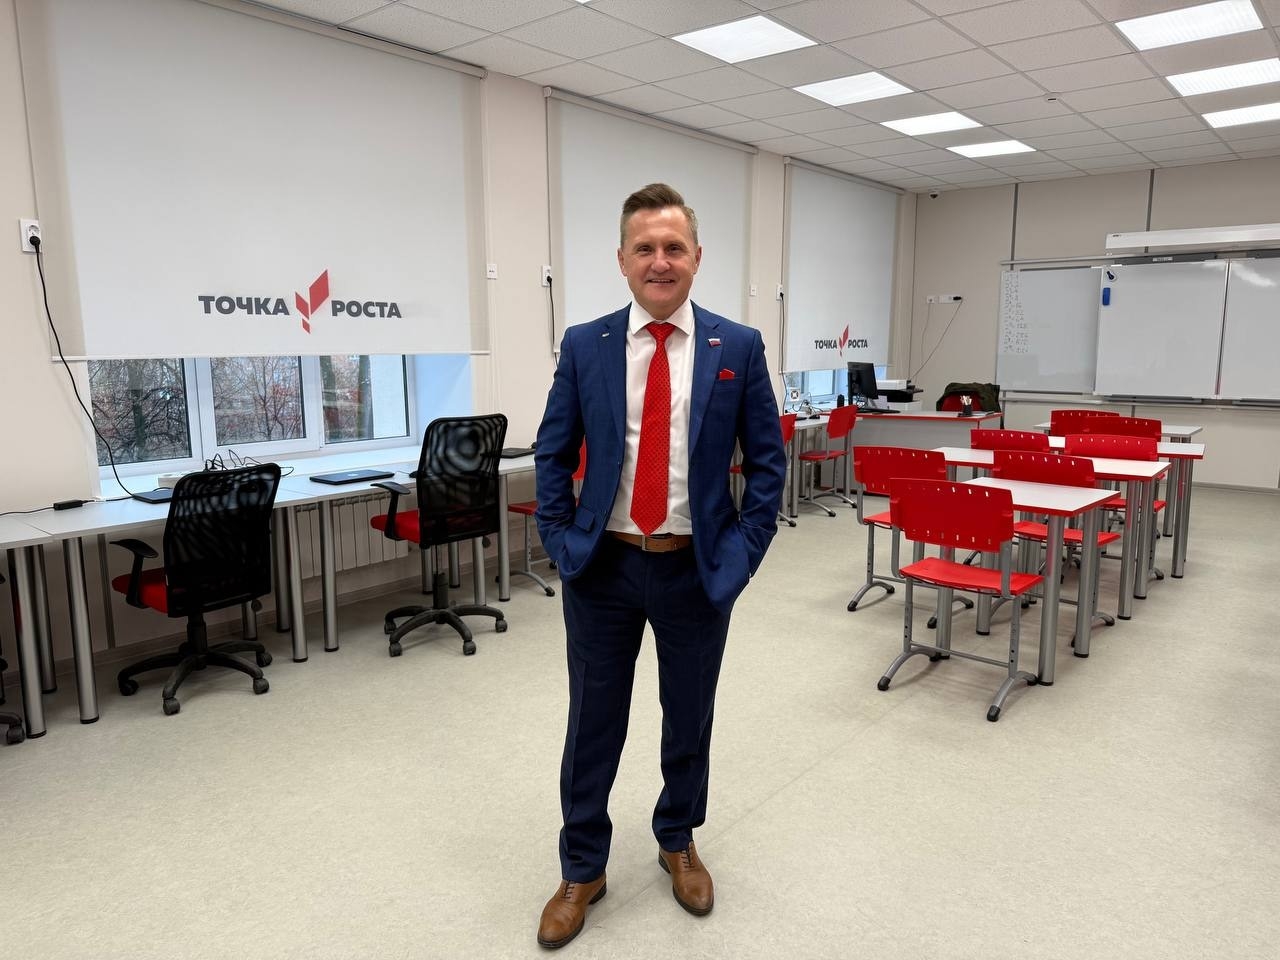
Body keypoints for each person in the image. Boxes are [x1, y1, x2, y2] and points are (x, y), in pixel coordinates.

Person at [533, 183, 788, 949]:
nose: (660, 260)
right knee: (592, 722)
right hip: (603, 568)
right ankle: (583, 866)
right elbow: (553, 451)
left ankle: (677, 837)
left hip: (694, 569)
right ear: (622, 260)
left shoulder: (736, 348)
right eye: (644, 247)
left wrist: (740, 557)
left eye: (674, 247)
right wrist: (561, 541)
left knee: (689, 715)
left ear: (697, 257)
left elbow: (767, 465)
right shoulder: (587, 344)